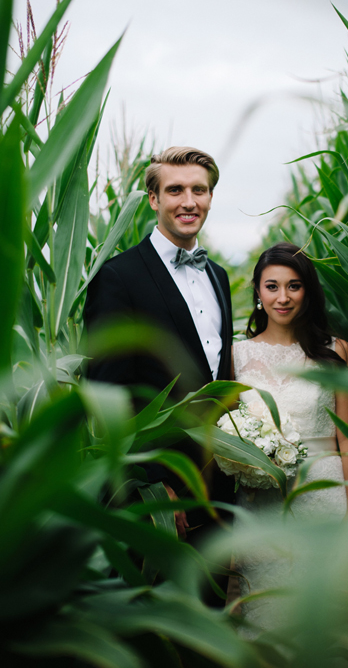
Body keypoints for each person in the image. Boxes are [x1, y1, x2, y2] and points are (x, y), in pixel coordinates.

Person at [84, 146, 235, 547]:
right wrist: (149, 486)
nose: (189, 202)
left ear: (210, 197)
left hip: (217, 489)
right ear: (154, 199)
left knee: (211, 605)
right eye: (175, 190)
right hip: (154, 499)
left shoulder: (218, 276)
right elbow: (108, 395)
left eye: (199, 190)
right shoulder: (118, 278)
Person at [228, 242, 348, 634]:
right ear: (257, 291)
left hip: (323, 494)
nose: (282, 297)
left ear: (308, 291)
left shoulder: (336, 353)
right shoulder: (235, 356)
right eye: (272, 286)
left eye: (294, 286)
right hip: (261, 503)